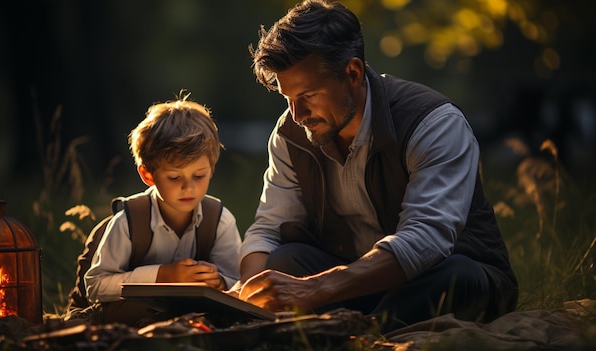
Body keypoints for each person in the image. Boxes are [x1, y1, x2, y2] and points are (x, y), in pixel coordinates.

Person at [236, 0, 518, 332]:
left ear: (352, 73)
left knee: (458, 275)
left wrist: (317, 289)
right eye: (288, 99)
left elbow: (426, 238)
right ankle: (366, 326)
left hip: (437, 277)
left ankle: (359, 332)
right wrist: (247, 295)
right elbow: (270, 230)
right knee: (284, 261)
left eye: (308, 96)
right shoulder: (291, 134)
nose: (297, 115)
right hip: (351, 282)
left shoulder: (433, 123)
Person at [85, 96, 241, 326]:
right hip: (131, 321)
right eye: (174, 177)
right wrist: (164, 276)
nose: (189, 187)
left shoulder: (219, 220)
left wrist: (218, 282)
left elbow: (239, 282)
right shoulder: (128, 221)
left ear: (211, 169)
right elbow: (95, 286)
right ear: (148, 175)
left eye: (199, 176)